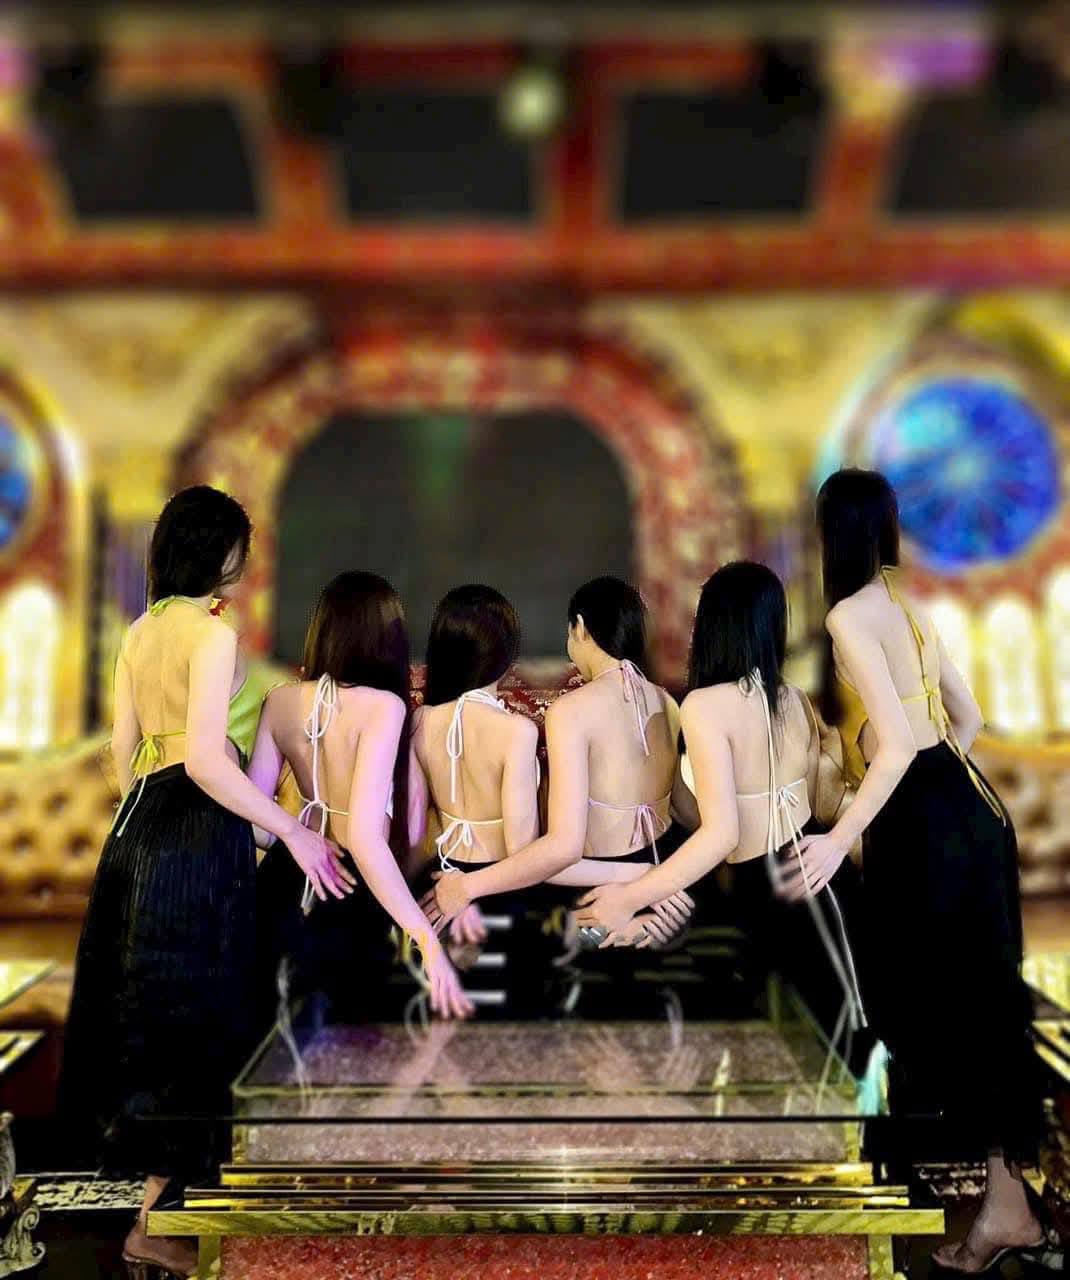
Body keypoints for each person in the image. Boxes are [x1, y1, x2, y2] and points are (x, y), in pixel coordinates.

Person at [59, 487, 348, 1279]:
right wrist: (291, 831)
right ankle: (156, 1227)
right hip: (195, 840)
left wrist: (156, 824)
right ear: (221, 553)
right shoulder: (211, 635)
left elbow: (124, 755)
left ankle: (155, 1221)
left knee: (147, 1023)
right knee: (197, 1027)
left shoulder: (140, 631)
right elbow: (207, 762)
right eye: (239, 549)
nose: (244, 563)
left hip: (136, 835)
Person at [799, 469, 1047, 1273]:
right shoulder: (907, 608)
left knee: (932, 1005)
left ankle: (1002, 1206)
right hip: (971, 810)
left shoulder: (846, 615)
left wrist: (842, 836)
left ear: (832, 531)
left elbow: (900, 742)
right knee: (984, 1002)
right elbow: (962, 719)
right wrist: (936, 799)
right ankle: (1006, 1202)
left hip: (926, 823)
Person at [573, 563, 864, 1040]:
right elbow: (789, 806)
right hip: (808, 881)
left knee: (831, 1049)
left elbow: (723, 833)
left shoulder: (704, 705)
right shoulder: (794, 700)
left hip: (783, 892)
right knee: (833, 1047)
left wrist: (629, 896)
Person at [423, 577, 693, 973]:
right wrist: (670, 879)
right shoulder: (667, 703)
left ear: (579, 628)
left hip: (596, 883)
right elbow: (688, 812)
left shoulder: (570, 711)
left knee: (534, 888)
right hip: (665, 868)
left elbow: (559, 852)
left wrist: (464, 886)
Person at [249, 571, 471, 1023]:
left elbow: (253, 823)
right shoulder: (383, 707)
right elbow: (364, 840)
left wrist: (298, 838)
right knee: (351, 1042)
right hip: (349, 889)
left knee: (276, 1039)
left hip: (281, 882)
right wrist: (426, 939)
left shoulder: (280, 701)